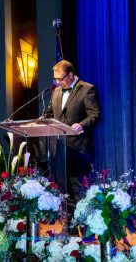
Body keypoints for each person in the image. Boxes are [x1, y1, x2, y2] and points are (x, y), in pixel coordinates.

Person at [45, 60, 101, 206]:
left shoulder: (88, 89)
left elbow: (95, 115)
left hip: (78, 148)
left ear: (70, 75)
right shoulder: (56, 91)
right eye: (55, 79)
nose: (57, 82)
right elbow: (50, 114)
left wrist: (81, 125)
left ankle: (84, 226)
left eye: (60, 79)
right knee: (64, 191)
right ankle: (69, 227)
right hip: (59, 149)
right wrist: (41, 121)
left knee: (80, 191)